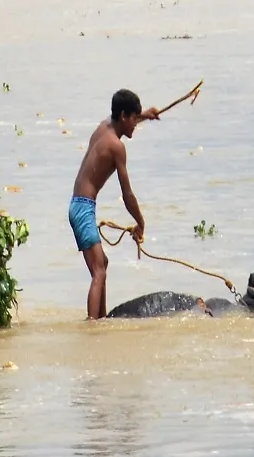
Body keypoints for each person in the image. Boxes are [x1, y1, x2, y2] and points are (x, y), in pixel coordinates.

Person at [68, 88, 161, 320]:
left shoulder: (103, 128)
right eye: (133, 120)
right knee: (98, 271)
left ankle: (102, 320)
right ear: (123, 116)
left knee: (102, 264)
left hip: (78, 205)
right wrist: (141, 222)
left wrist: (145, 115)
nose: (134, 127)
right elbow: (127, 194)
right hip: (83, 209)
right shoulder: (117, 148)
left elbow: (123, 121)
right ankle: (92, 325)